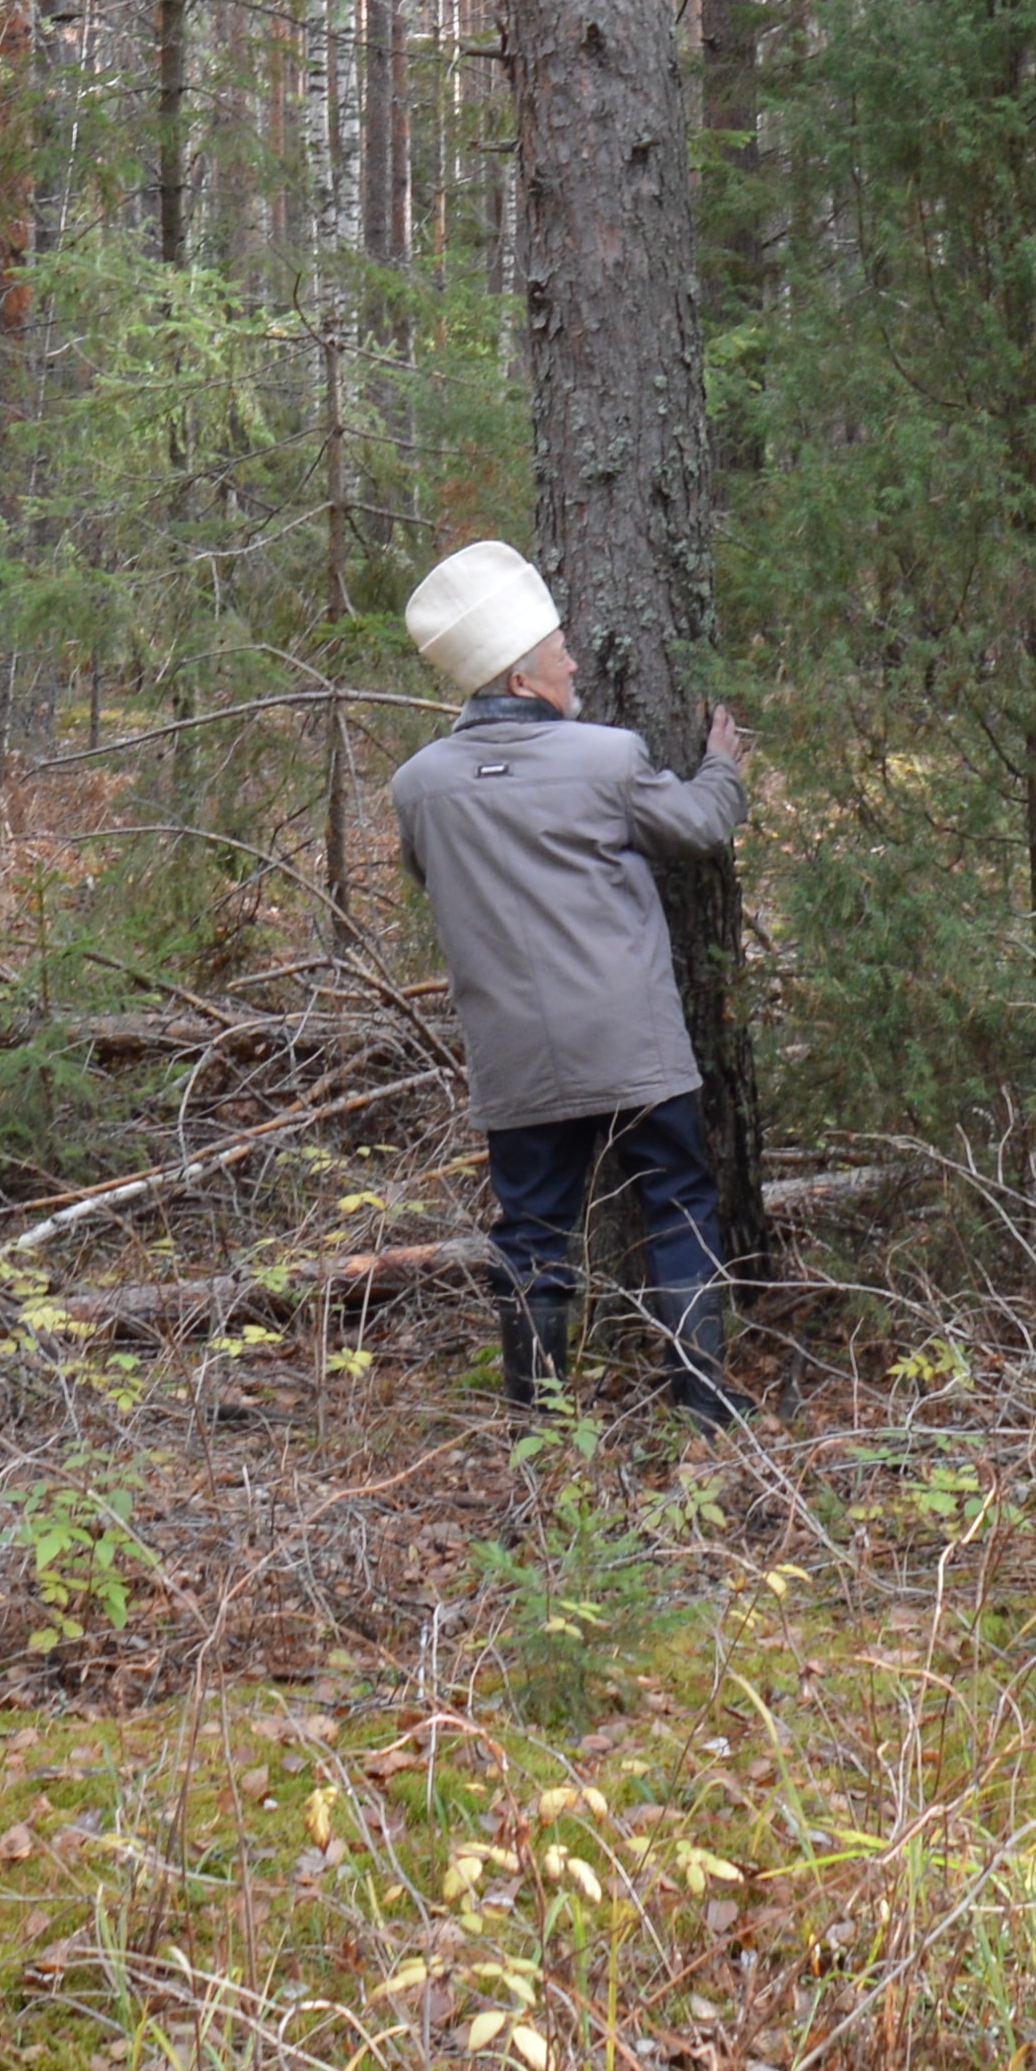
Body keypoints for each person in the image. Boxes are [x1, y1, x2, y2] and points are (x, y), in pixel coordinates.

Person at [388, 539, 754, 1421]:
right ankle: (702, 1406)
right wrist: (725, 762)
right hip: (630, 1040)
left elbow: (427, 873)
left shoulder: (418, 787)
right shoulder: (608, 757)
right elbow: (702, 826)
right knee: (675, 1202)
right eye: (559, 651)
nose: (575, 661)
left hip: (516, 1058)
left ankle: (537, 1424)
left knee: (533, 1235)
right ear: (521, 680)